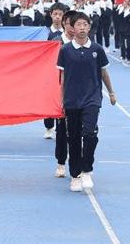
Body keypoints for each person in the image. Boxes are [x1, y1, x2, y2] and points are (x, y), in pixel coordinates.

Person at [57, 12, 117, 192]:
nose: (82, 27)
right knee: (73, 138)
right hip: (71, 99)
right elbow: (62, 77)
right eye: (79, 24)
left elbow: (104, 73)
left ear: (89, 28)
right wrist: (60, 101)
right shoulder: (65, 50)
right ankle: (75, 175)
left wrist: (111, 92)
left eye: (85, 24)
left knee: (89, 134)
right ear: (72, 28)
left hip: (92, 98)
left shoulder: (97, 49)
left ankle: (87, 170)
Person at [50, 10, 77, 178]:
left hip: (80, 92)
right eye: (71, 24)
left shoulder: (85, 43)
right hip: (61, 91)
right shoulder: (56, 43)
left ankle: (77, 164)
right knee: (61, 130)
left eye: (78, 24)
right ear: (65, 24)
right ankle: (61, 162)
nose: (74, 28)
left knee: (78, 131)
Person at [44, 3, 66, 139]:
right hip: (48, 70)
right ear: (51, 15)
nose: (57, 17)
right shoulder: (45, 33)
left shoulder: (68, 33)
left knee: (62, 98)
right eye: (55, 14)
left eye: (60, 14)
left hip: (64, 70)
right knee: (49, 97)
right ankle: (48, 126)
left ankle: (61, 127)